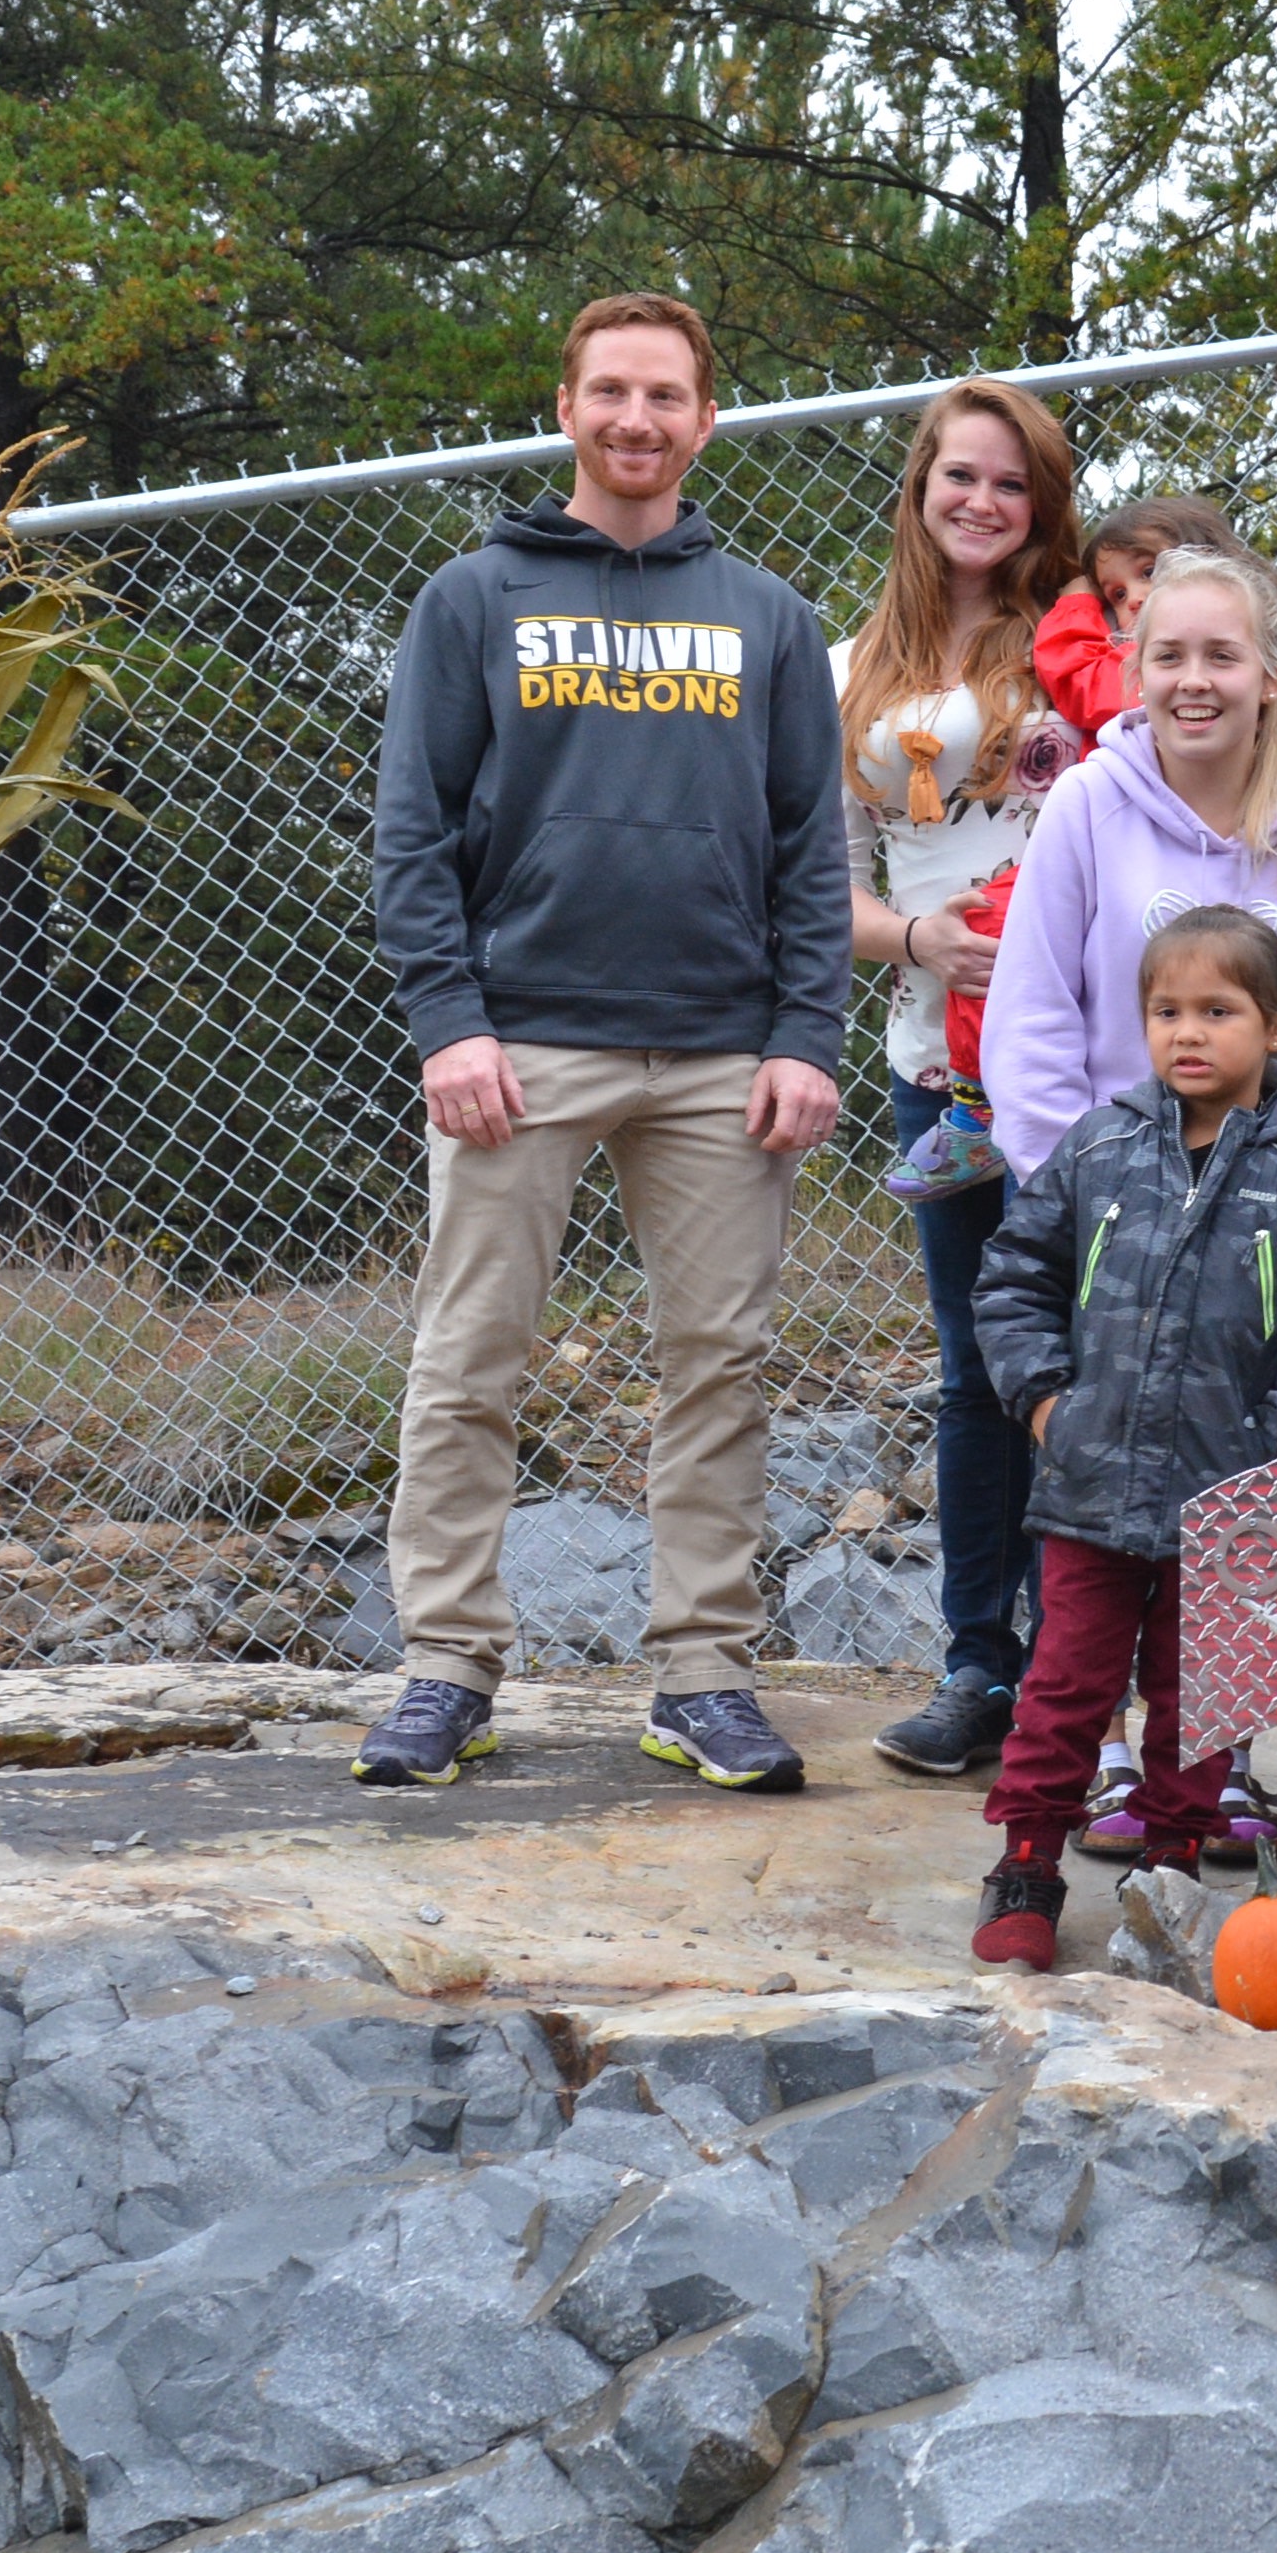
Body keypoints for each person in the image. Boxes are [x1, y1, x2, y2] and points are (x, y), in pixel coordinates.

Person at [354, 291, 846, 1795]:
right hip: (522, 1047)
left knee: (719, 1365)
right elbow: (411, 832)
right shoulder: (474, 597)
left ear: (706, 419)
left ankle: (701, 1673)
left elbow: (810, 850)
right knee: (469, 1357)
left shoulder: (768, 614)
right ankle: (446, 1667)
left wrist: (804, 1033)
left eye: (667, 398)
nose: (638, 421)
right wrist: (450, 1021)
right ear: (566, 407)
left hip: (719, 1055)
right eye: (611, 393)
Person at [963, 910, 1277, 1966]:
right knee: (1064, 1682)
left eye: (1218, 1009)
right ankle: (1026, 1861)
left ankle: (1172, 1870)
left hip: (1229, 1500)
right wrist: (1046, 1402)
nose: (1187, 1032)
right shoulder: (1102, 1147)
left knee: (1201, 1698)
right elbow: (1012, 1276)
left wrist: (1271, 1454)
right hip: (1091, 1485)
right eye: (1166, 1011)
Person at [827, 381, 1121, 1779]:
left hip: (1086, 1062)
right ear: (923, 486)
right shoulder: (843, 673)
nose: (984, 504)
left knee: (1097, 1360)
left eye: (1012, 483)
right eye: (962, 477)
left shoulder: (1080, 645)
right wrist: (919, 940)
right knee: (972, 1369)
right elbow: (816, 893)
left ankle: (1094, 1668)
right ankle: (974, 1667)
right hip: (938, 1069)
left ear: (1042, 501)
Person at [980, 547, 1277, 1175]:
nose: (1194, 679)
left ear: (1270, 677)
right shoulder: (1086, 803)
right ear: (1137, 674)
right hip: (1096, 1185)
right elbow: (1032, 1020)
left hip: (1259, 1192)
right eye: (1168, 656)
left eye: (1222, 655)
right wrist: (1078, 1193)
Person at [1084, 494, 1237, 634]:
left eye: (1149, 572)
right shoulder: (1127, 659)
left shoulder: (1247, 632)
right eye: (1119, 595)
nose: (1133, 599)